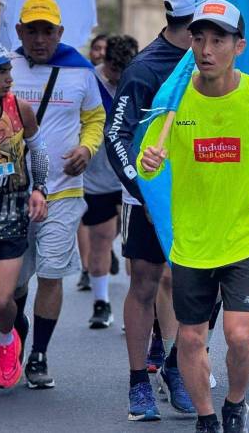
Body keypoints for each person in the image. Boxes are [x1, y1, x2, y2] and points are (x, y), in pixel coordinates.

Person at [138, 0, 249, 433]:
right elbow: (148, 162)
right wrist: (150, 160)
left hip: (245, 238)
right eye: (199, 39)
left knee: (237, 335)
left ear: (239, 46)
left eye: (218, 40)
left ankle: (234, 402)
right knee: (192, 338)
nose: (206, 49)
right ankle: (207, 418)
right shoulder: (175, 102)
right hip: (193, 242)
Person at [104, 0, 218, 421]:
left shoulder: (218, 59)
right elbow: (117, 137)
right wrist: (143, 193)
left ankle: (173, 367)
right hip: (150, 198)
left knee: (197, 285)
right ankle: (138, 383)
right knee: (147, 283)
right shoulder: (145, 67)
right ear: (194, 20)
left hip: (204, 198)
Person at [10, 0, 105, 389]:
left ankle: (38, 355)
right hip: (10, 197)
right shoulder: (3, 70)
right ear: (19, 32)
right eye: (32, 30)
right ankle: (13, 336)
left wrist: (87, 148)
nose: (39, 38)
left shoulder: (81, 72)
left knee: (50, 274)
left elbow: (96, 117)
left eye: (47, 30)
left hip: (62, 194)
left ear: (60, 33)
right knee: (11, 286)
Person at [0, 41, 49, 389]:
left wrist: (39, 188)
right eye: (0, 71)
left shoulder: (20, 108)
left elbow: (38, 151)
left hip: (11, 209)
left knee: (0, 299)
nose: (8, 78)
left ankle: (6, 340)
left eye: (8, 70)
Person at [82, 35, 138, 328]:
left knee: (132, 244)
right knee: (101, 239)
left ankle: (135, 304)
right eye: (114, 71)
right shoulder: (89, 81)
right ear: (105, 63)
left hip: (129, 174)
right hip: (98, 175)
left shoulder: (137, 80)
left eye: (123, 71)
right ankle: (101, 303)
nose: (118, 77)